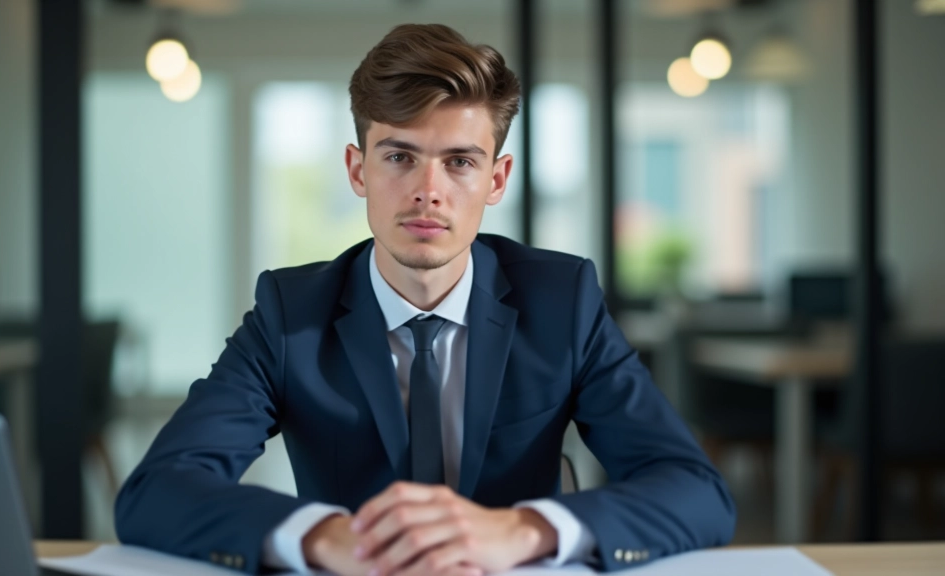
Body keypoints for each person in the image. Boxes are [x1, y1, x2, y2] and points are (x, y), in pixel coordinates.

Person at [114, 23, 736, 575]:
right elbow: (158, 490)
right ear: (358, 171)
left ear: (496, 179)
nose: (427, 191)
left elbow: (695, 490)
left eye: (460, 161)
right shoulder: (290, 313)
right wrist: (329, 539)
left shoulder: (561, 301)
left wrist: (522, 530)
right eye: (400, 157)